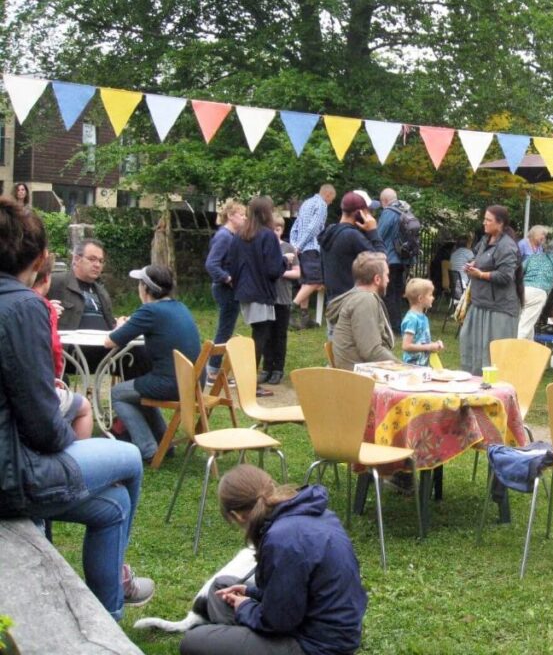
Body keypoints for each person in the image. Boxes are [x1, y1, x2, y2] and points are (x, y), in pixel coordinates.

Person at [0, 196, 153, 619]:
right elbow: (42, 427)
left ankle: (107, 620)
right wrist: (68, 434)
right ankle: (116, 590)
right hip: (13, 477)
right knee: (129, 459)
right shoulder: (23, 305)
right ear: (38, 258)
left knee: (114, 505)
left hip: (10, 464)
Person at [179, 464, 367, 655]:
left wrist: (245, 607)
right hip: (313, 621)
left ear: (237, 515)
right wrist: (250, 593)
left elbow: (280, 621)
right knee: (220, 587)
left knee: (192, 641)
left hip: (318, 645)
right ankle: (244, 641)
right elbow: (297, 592)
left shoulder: (282, 540)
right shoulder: (305, 512)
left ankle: (244, 641)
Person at [105, 265, 201, 463]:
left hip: (171, 384)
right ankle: (164, 443)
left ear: (146, 289)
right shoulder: (179, 306)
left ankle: (148, 450)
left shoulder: (149, 310)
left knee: (118, 393)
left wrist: (122, 325)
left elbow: (110, 341)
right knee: (140, 391)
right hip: (194, 382)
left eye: (139, 284)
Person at [229, 196, 290, 395]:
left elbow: (232, 264)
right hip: (261, 292)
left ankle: (247, 381)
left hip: (244, 292)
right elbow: (273, 269)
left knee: (257, 335)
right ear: (266, 212)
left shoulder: (240, 235)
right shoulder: (267, 236)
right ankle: (250, 384)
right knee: (259, 338)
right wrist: (285, 260)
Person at [32, 254, 93, 438]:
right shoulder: (42, 307)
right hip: (36, 389)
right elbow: (55, 350)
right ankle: (77, 462)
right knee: (84, 407)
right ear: (47, 278)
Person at [459, 205, 522, 376]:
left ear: (500, 223)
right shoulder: (486, 240)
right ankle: (475, 386)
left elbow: (505, 277)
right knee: (471, 346)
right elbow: (480, 258)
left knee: (494, 356)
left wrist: (480, 274)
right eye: (484, 219)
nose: (484, 223)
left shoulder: (507, 246)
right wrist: (473, 264)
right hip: (480, 304)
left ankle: (496, 391)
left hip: (499, 309)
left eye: (488, 220)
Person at [326, 252, 395, 371]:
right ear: (377, 279)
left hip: (356, 373)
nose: (388, 280)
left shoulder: (355, 297)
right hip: (360, 380)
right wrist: (405, 368)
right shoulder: (365, 300)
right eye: (387, 275)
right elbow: (371, 352)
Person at [320, 191, 386, 304]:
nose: (371, 215)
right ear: (358, 213)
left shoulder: (330, 231)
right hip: (352, 303)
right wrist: (373, 232)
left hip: (334, 301)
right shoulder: (352, 236)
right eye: (368, 211)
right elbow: (381, 261)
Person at [205, 199, 246, 380]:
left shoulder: (232, 237)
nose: (245, 219)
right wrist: (228, 278)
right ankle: (213, 370)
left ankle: (214, 367)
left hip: (230, 290)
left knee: (226, 328)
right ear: (230, 216)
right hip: (225, 289)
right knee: (224, 329)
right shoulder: (224, 236)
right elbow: (211, 264)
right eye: (242, 215)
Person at [289, 184, 336, 331]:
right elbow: (314, 228)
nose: (331, 202)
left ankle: (304, 317)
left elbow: (296, 225)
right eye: (332, 199)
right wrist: (300, 246)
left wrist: (294, 244)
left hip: (300, 247)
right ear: (327, 195)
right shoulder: (321, 204)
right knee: (315, 281)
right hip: (311, 248)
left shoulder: (306, 203)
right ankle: (290, 309)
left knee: (306, 281)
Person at [262, 215, 302, 385]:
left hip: (283, 297)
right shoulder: (263, 247)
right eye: (272, 230)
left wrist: (279, 271)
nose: (274, 233)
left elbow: (297, 273)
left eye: (277, 230)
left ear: (282, 230)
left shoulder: (288, 248)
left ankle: (278, 368)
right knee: (266, 334)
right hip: (267, 297)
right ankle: (266, 367)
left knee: (280, 335)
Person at [378, 187, 412, 332]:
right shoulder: (406, 210)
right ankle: (398, 324)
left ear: (385, 201)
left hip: (390, 260)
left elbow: (379, 235)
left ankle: (393, 326)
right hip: (403, 260)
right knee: (397, 294)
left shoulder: (388, 213)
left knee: (388, 294)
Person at [401, 278, 443, 365]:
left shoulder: (423, 318)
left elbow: (420, 341)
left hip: (423, 367)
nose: (433, 298)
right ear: (420, 298)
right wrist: (429, 347)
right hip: (412, 367)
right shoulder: (412, 319)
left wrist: (434, 345)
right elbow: (406, 345)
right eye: (430, 295)